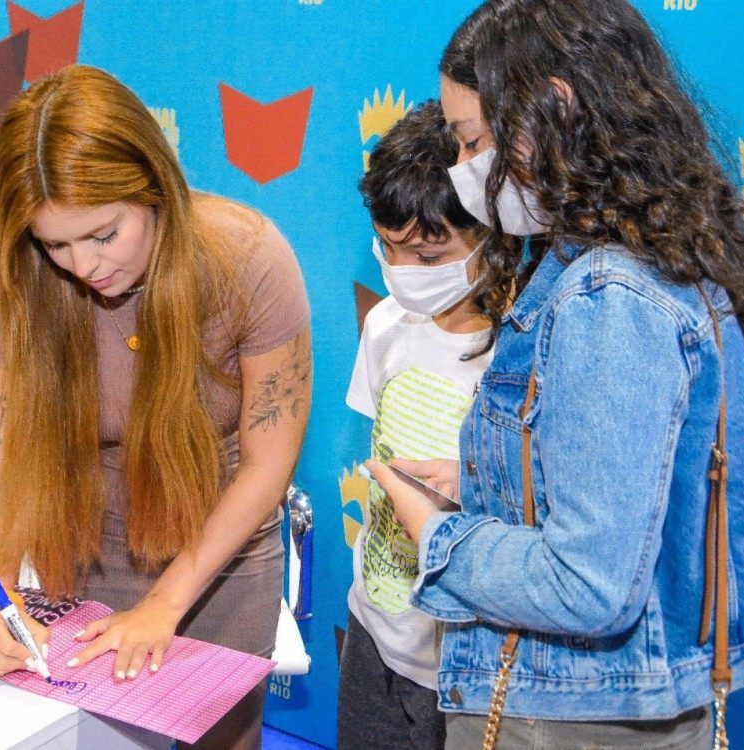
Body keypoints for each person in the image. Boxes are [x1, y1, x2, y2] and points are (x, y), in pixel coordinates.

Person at [368, 1, 744, 748]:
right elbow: (636, 499)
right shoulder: (659, 265)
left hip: (570, 717)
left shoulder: (609, 295)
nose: (464, 169)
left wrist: (442, 536)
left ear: (555, 109)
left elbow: (588, 584)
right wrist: (486, 479)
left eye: (473, 141)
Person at [0, 64, 311, 749]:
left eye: (104, 233)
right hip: (83, 554)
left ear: (154, 187)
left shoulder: (251, 261)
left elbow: (267, 469)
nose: (84, 265)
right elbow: (8, 453)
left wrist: (164, 605)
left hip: (221, 562)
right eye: (56, 243)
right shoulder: (31, 286)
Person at [338, 100, 496, 750]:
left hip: (462, 666)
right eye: (389, 249)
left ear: (491, 234)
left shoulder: (514, 357)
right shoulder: (384, 327)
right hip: (372, 631)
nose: (405, 273)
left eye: (430, 257)